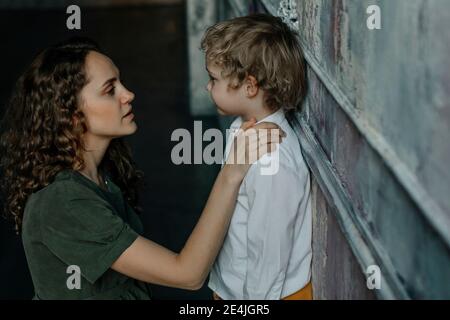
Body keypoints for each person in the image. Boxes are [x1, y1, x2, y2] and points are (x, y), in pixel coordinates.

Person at [0, 37, 284, 300]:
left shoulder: (100, 175)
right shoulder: (63, 202)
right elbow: (187, 274)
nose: (128, 94)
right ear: (72, 116)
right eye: (110, 90)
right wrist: (232, 173)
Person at [201, 14, 313, 300]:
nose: (208, 87)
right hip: (235, 289)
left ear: (250, 87)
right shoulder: (244, 127)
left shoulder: (271, 161)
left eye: (213, 79)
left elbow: (269, 251)